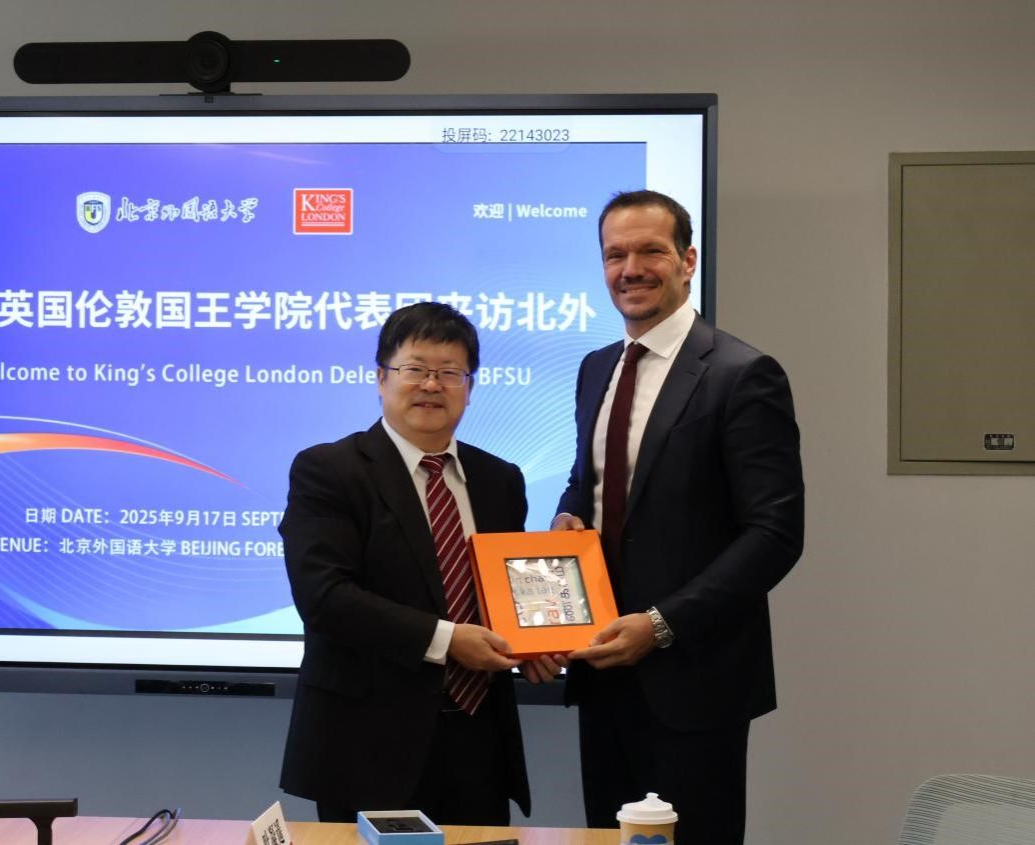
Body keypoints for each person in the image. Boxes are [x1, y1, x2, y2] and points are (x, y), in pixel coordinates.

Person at [553, 190, 804, 844]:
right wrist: (567, 512)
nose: (631, 269)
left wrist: (662, 625)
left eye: (650, 252)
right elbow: (591, 481)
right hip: (603, 670)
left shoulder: (742, 374)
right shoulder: (596, 368)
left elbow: (775, 534)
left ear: (687, 261)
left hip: (696, 679)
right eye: (615, 254)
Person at [279, 301, 562, 825]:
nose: (432, 385)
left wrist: (531, 643)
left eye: (450, 372)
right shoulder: (330, 470)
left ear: (470, 387)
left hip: (479, 740)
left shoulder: (500, 480)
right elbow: (325, 598)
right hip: (367, 745)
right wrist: (449, 640)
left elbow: (501, 593)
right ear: (381, 378)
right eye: (415, 369)